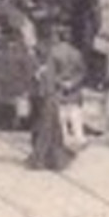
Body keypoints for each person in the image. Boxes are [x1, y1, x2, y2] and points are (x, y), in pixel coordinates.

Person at [28, 26, 74, 171]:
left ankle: (48, 159)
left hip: (45, 94)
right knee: (50, 128)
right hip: (50, 95)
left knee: (49, 128)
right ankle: (47, 160)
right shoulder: (53, 53)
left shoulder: (40, 52)